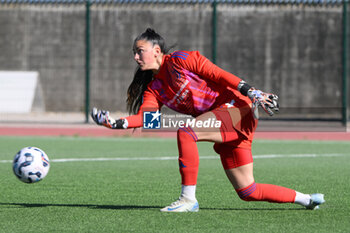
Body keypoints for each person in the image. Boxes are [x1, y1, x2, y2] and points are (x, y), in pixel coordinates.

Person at [91, 28, 325, 212]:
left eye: (139, 50)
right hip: (223, 123)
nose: (136, 56)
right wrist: (116, 123)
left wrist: (251, 91)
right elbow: (148, 120)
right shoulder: (154, 88)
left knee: (186, 131)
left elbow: (218, 73)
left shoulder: (181, 60)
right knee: (248, 191)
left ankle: (188, 199)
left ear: (157, 50)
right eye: (135, 52)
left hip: (237, 109)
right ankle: (307, 199)